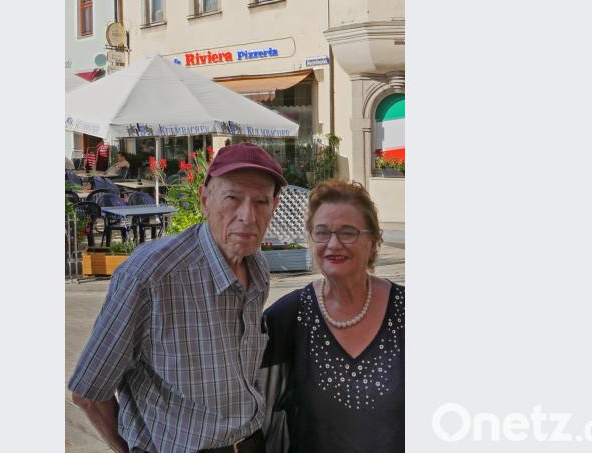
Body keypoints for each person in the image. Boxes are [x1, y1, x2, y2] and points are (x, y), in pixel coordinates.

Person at [69, 142, 287, 453]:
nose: (248, 216)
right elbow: (88, 392)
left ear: (274, 206)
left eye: (261, 202)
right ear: (205, 200)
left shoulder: (257, 267)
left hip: (251, 442)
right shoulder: (151, 274)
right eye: (233, 198)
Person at [261, 180, 404, 453]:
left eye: (348, 232)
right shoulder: (288, 317)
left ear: (373, 242)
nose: (333, 244)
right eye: (322, 232)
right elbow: (253, 409)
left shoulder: (406, 311)